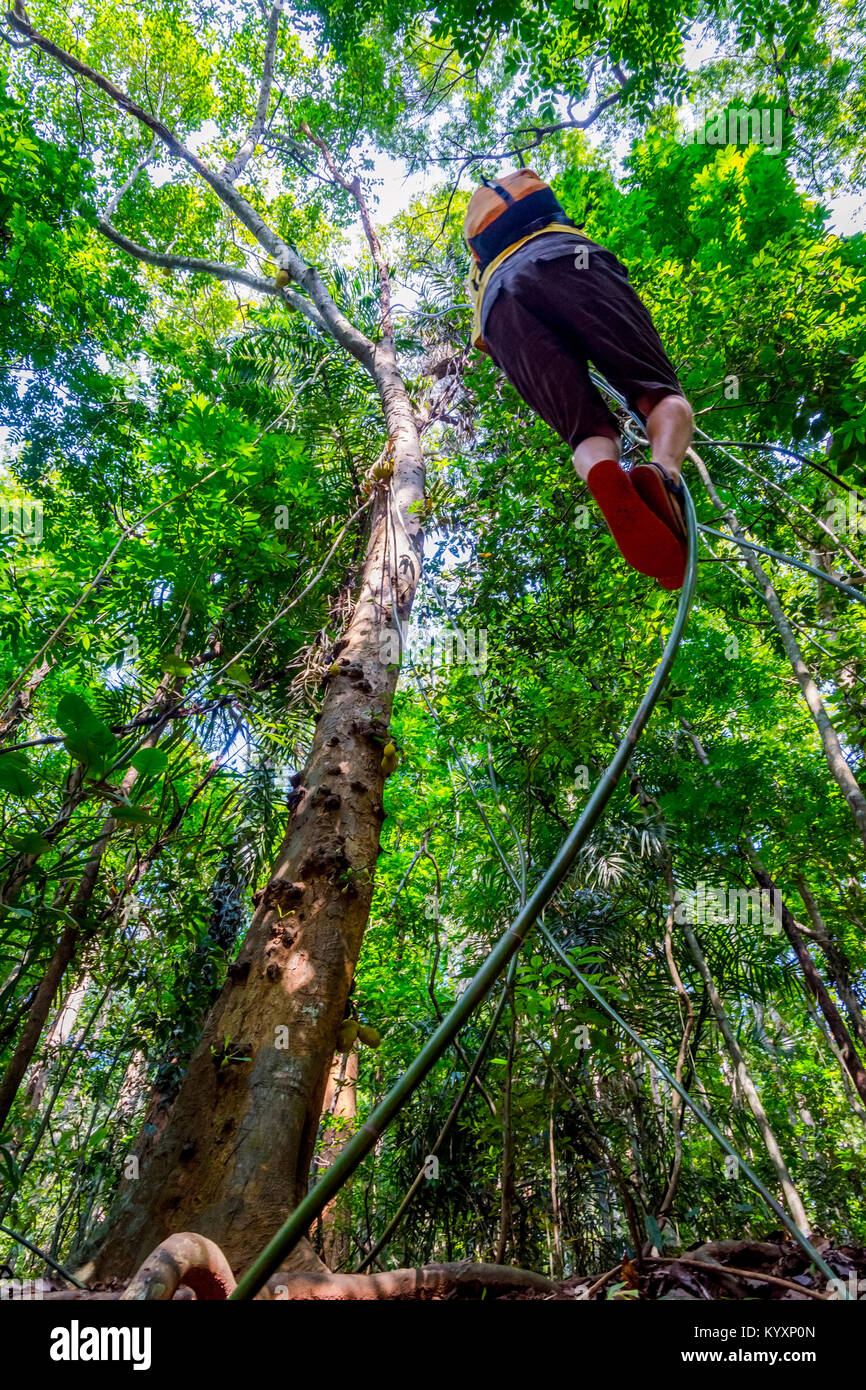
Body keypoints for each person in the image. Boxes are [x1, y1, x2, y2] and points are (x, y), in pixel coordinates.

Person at [464, 169, 694, 590]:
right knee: (656, 392)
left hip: (499, 308)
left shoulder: (480, 264)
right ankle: (663, 470)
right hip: (569, 259)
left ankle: (605, 470)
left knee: (584, 431)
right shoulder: (550, 216)